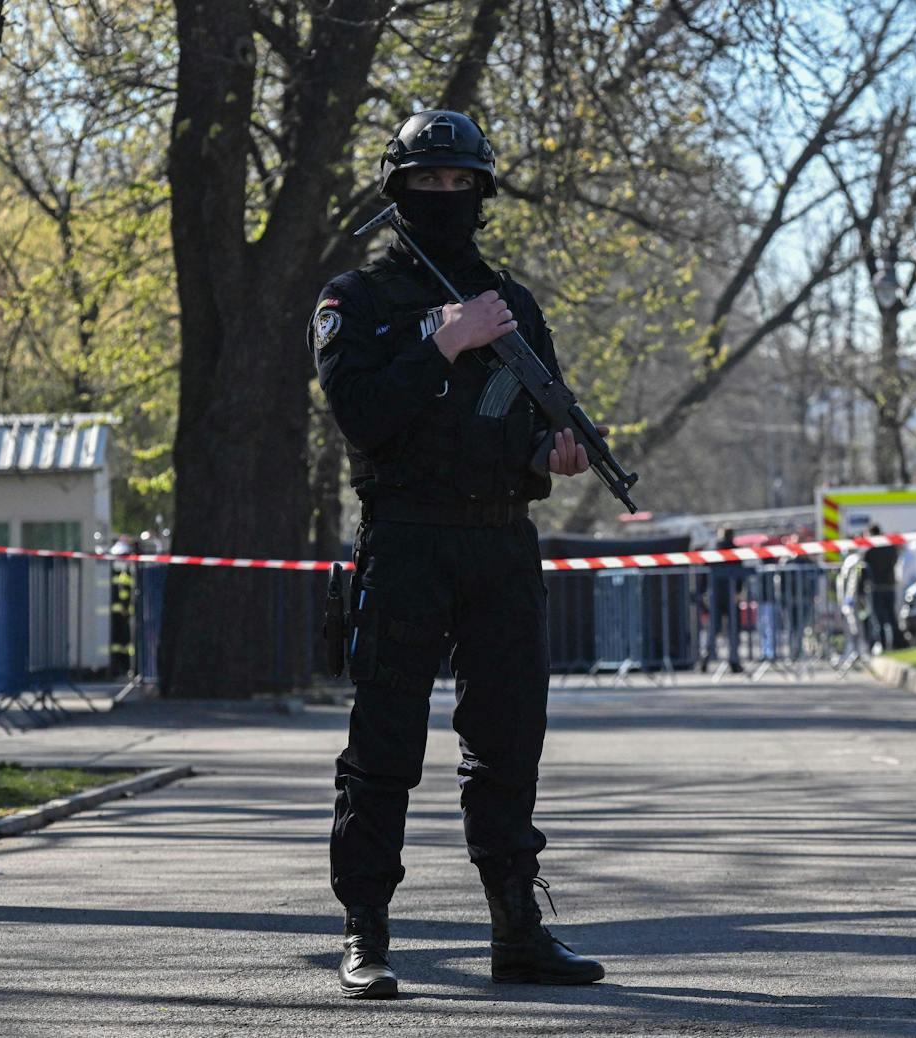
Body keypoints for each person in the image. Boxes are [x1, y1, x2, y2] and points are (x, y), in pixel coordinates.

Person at [312, 110, 605, 999]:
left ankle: (518, 928)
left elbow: (530, 427)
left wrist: (552, 457)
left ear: (482, 193)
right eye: (428, 183)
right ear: (399, 192)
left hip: (498, 544)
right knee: (385, 741)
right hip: (405, 539)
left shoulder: (510, 305)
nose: (446, 197)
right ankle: (366, 933)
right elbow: (361, 417)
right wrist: (443, 340)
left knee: (510, 741)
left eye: (459, 183)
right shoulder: (353, 302)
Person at [699, 525, 744, 673]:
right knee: (733, 630)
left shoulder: (712, 551)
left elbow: (703, 574)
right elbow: (740, 574)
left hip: (715, 593)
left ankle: (705, 657)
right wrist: (738, 592)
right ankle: (734, 660)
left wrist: (702, 592)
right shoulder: (736, 551)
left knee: (713, 629)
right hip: (731, 594)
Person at [862, 524, 900, 651]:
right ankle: (897, 643)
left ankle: (883, 644)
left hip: (876, 587)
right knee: (892, 617)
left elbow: (864, 571)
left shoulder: (870, 551)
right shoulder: (891, 548)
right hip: (890, 586)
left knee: (879, 619)